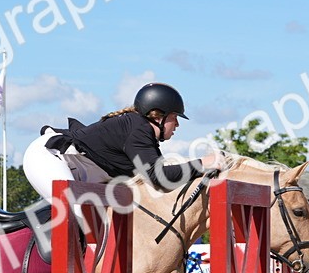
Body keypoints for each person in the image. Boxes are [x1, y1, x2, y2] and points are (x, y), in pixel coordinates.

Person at [23, 82, 192, 202]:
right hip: (48, 158)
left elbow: (162, 184)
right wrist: (203, 165)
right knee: (77, 215)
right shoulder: (138, 129)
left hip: (75, 171)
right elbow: (160, 178)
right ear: (158, 116)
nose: (177, 124)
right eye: (174, 117)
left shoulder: (143, 135)